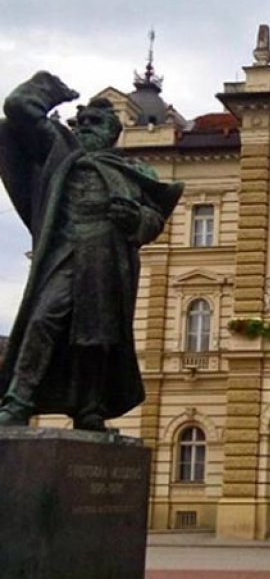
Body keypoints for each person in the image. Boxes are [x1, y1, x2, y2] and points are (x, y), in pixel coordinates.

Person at [0, 72, 183, 431]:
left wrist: (136, 219)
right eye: (81, 121)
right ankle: (18, 399)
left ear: (113, 131)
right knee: (43, 320)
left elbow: (154, 220)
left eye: (94, 122)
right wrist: (53, 90)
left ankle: (89, 407)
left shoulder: (135, 172)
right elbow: (17, 107)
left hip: (106, 257)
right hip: (64, 251)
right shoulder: (58, 151)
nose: (85, 127)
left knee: (97, 336)